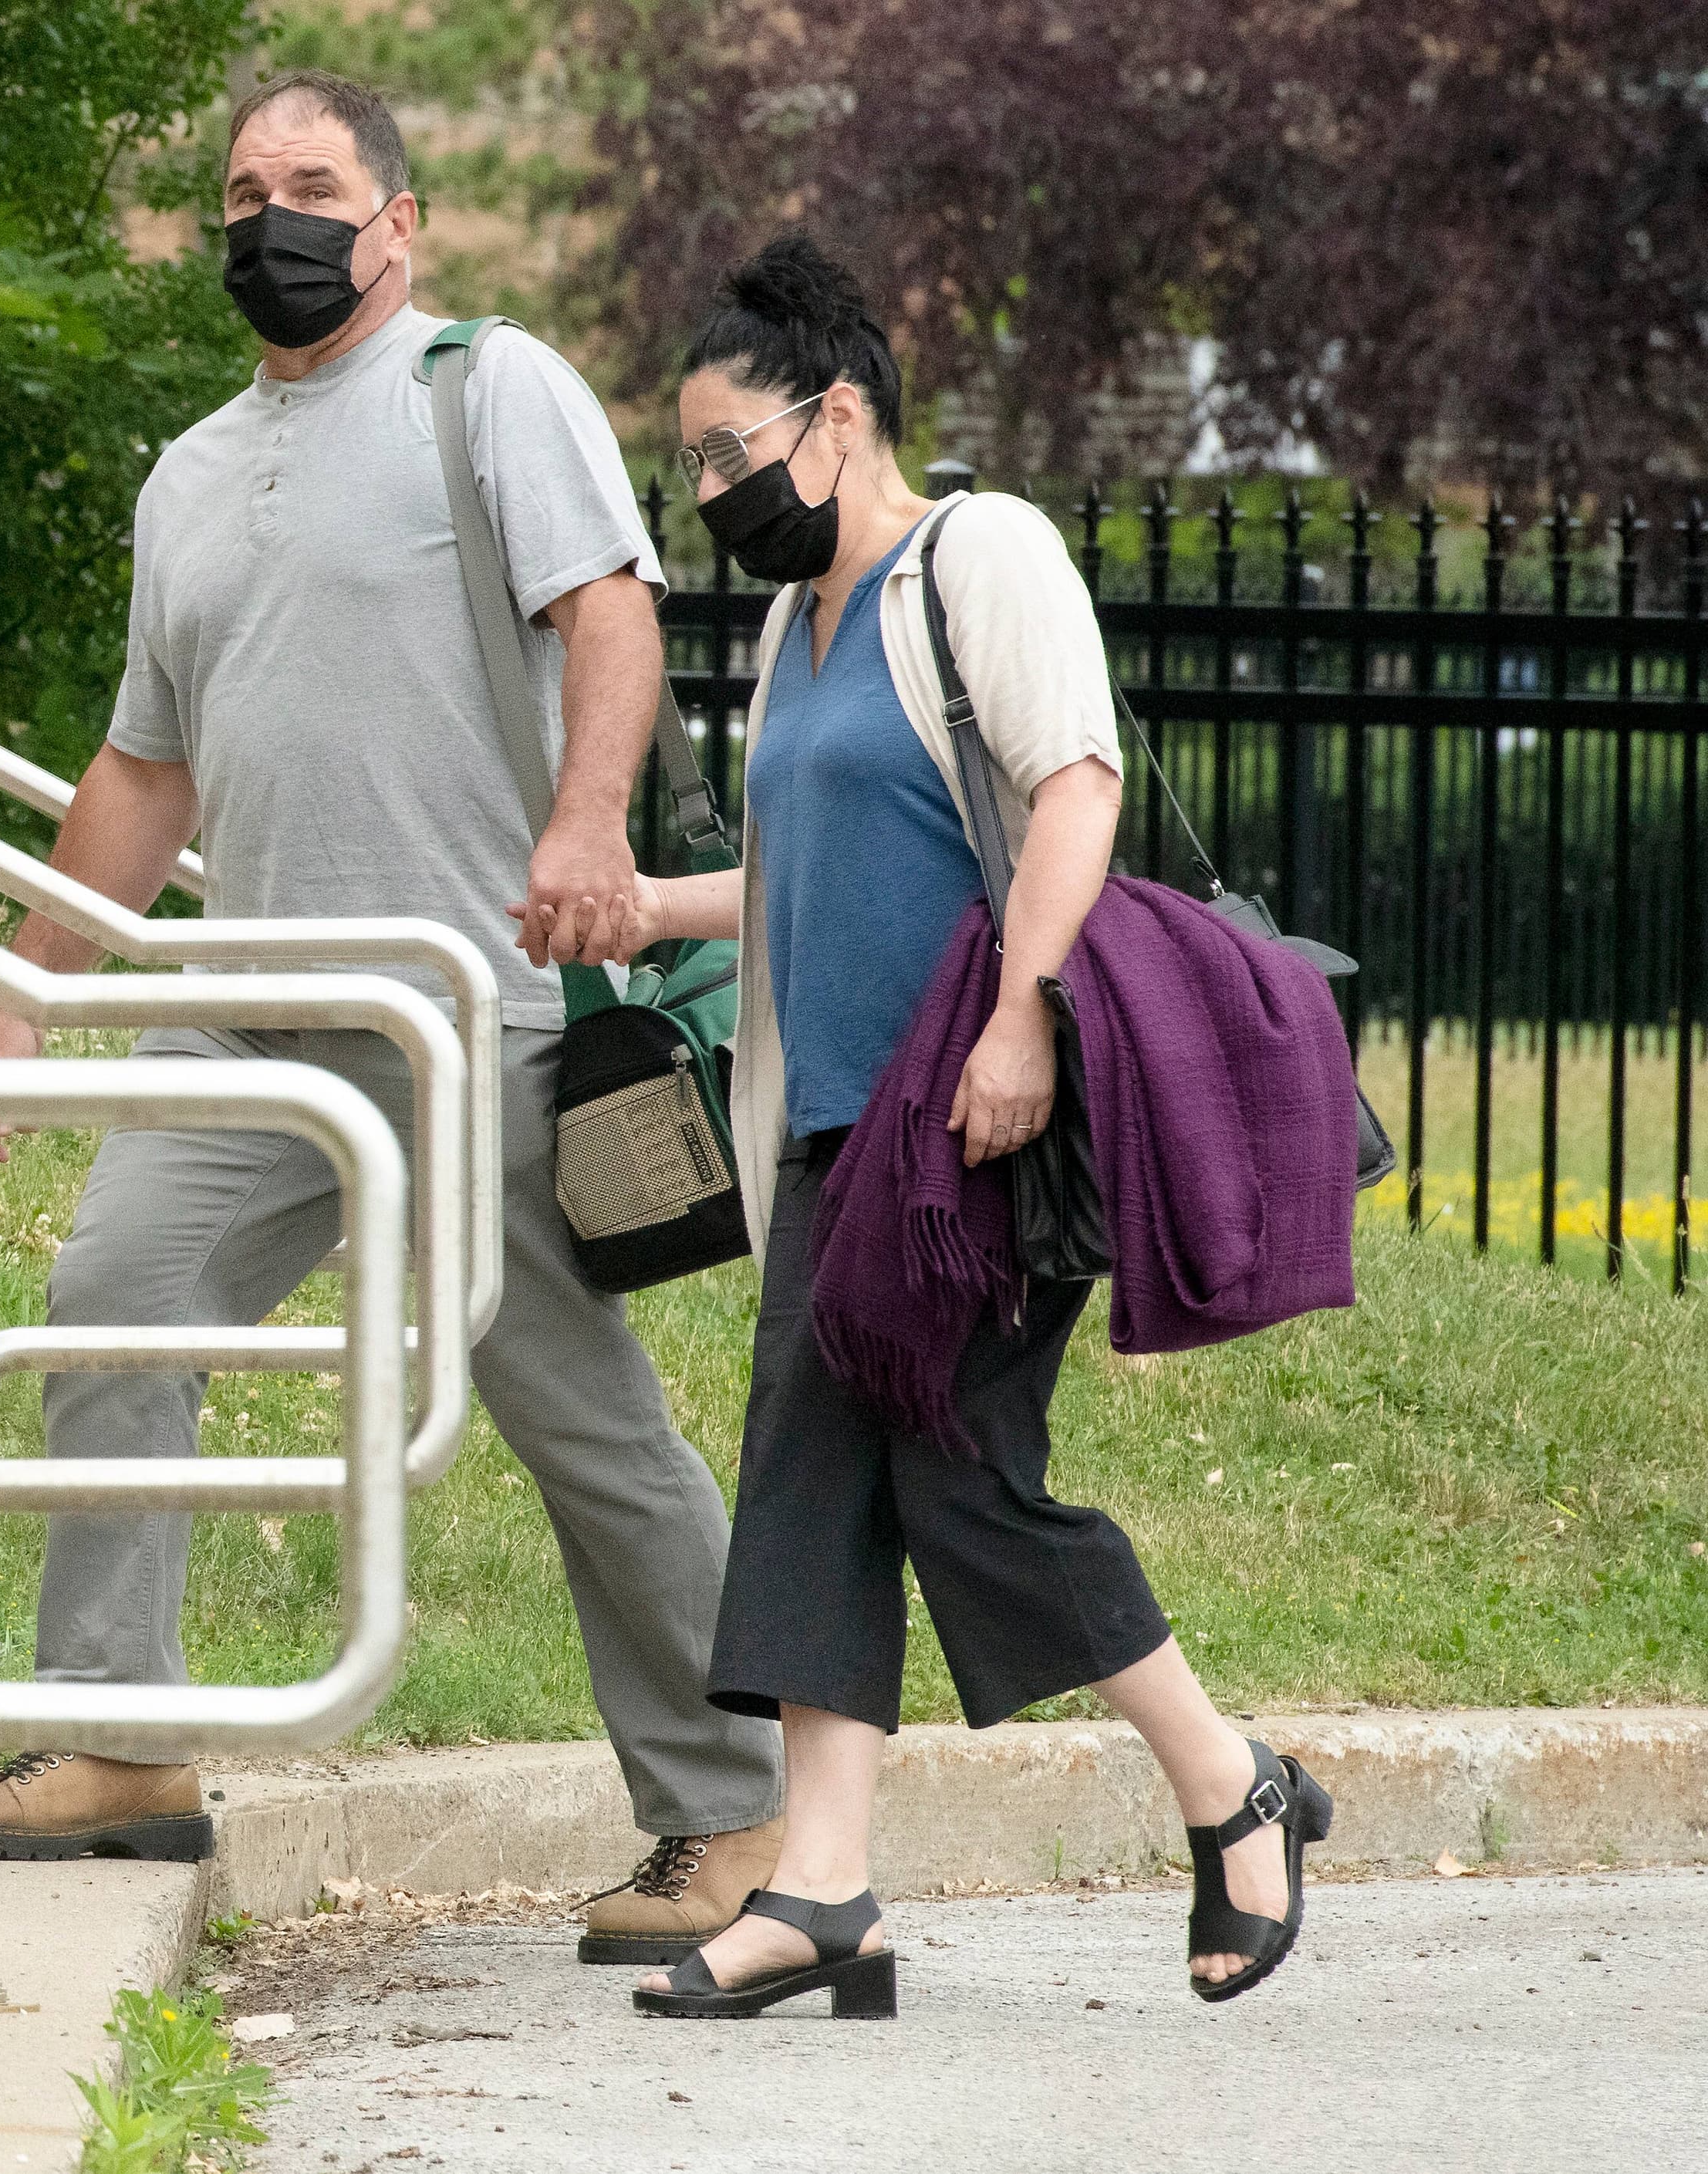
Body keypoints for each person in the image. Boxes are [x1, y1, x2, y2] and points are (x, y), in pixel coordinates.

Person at [0, 66, 786, 1963]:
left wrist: (587, 822)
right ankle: (121, 1740)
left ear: (398, 221)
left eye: (313, 183)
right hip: (252, 1011)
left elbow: (611, 609)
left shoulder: (483, 390)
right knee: (115, 1296)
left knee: (569, 1404)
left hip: (468, 1007)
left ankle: (734, 1811)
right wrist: (21, 996)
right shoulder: (188, 472)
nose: (274, 217)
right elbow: (144, 773)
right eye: (244, 189)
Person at [529, 235, 1334, 2017]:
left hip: (973, 1126)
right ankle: (823, 1889)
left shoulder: (983, 553)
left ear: (837, 416)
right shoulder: (795, 619)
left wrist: (1023, 1015)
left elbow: (1078, 787)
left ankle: (1236, 1781)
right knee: (817, 1483)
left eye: (734, 454)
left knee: (963, 1479)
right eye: (699, 470)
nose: (716, 493)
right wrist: (649, 910)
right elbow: (805, 866)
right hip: (836, 1129)